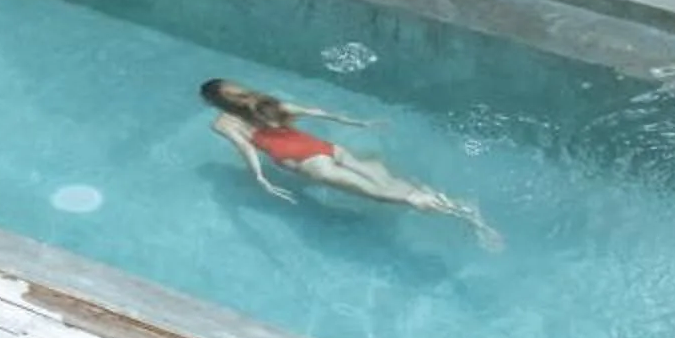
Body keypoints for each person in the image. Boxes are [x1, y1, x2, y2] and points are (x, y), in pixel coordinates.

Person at [200, 79, 500, 242]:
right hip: (328, 148)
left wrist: (260, 177)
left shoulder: (224, 124)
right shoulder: (265, 104)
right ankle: (461, 207)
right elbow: (315, 111)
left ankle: (467, 216)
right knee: (389, 182)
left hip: (311, 165)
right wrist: (360, 124)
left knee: (387, 195)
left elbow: (247, 149)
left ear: (212, 103)